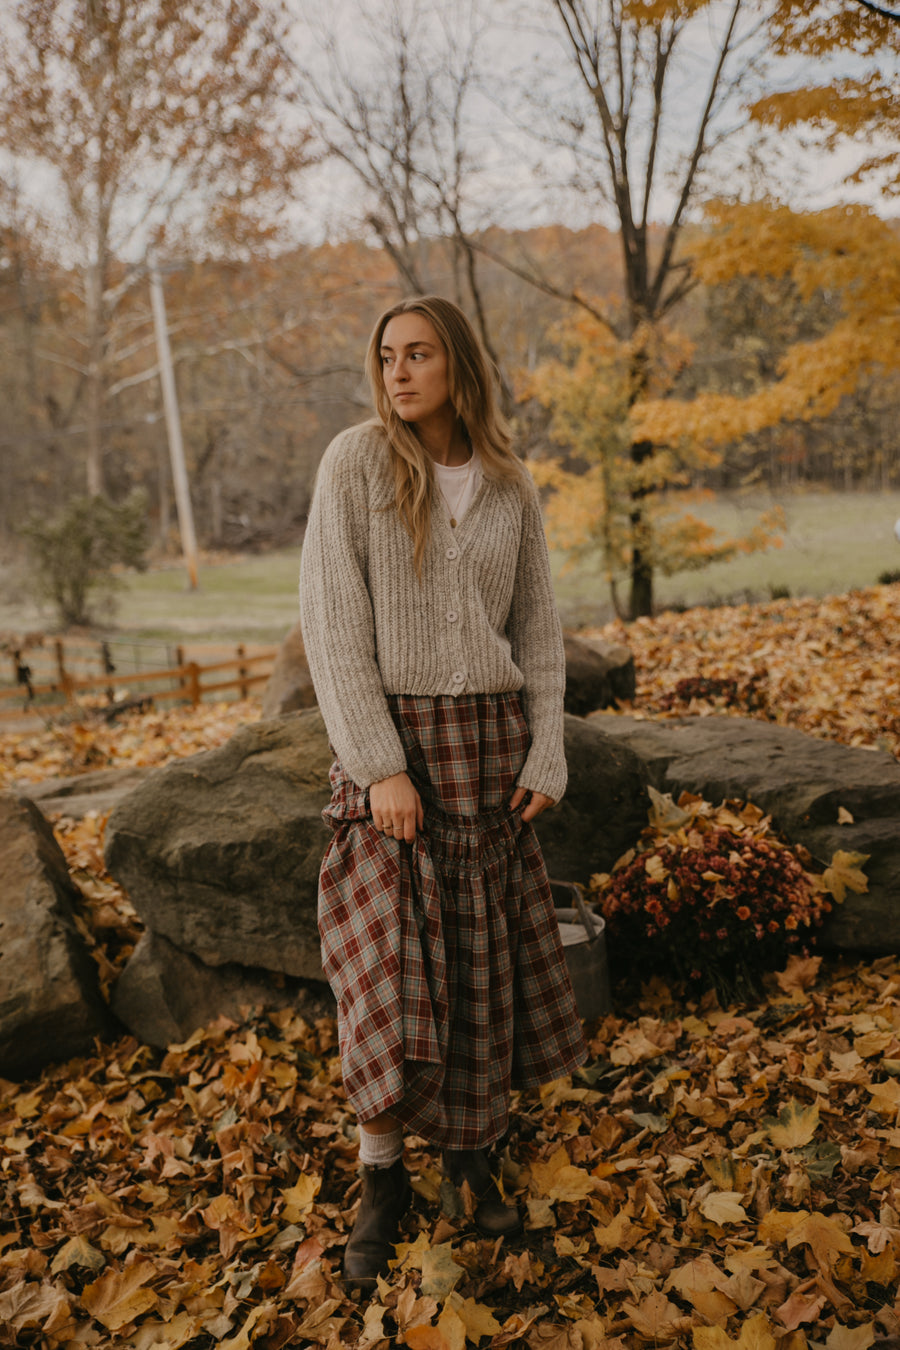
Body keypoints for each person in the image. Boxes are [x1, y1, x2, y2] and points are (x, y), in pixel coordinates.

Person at [298, 295, 586, 1288]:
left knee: (478, 969)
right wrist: (379, 763)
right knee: (383, 975)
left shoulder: (510, 484)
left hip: (490, 755)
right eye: (387, 357)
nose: (400, 373)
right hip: (397, 754)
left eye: (419, 354)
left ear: (459, 363)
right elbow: (334, 626)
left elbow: (541, 635)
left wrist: (546, 750)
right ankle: (383, 1180)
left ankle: (469, 1159)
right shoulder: (358, 465)